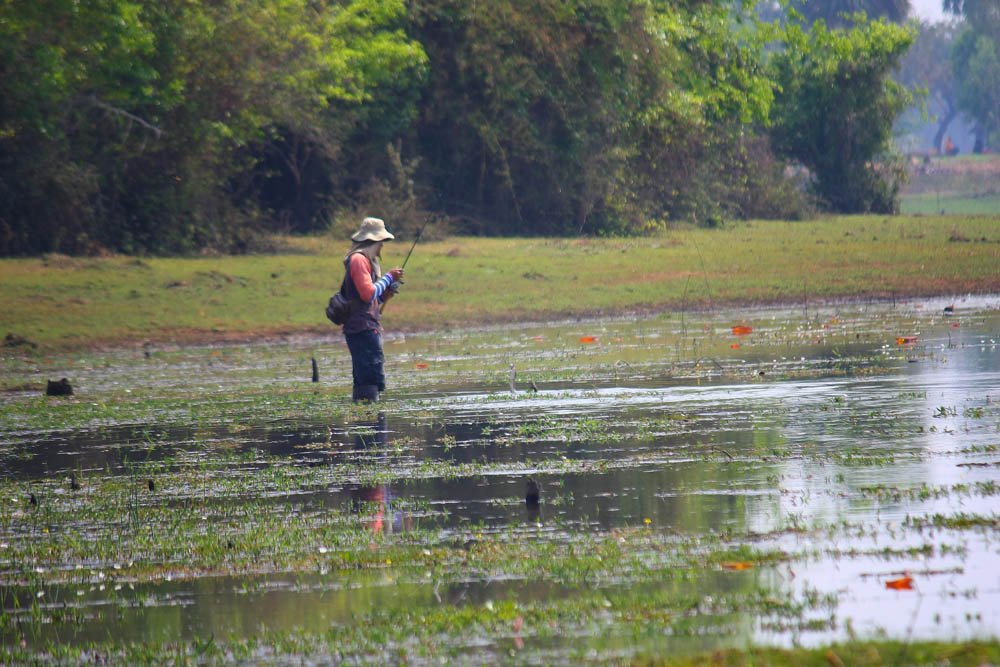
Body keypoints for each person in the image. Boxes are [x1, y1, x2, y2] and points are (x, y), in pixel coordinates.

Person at [341, 217, 404, 402]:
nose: (382, 247)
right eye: (381, 242)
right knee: (368, 375)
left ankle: (369, 423)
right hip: (362, 329)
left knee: (370, 376)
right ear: (374, 241)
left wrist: (386, 294)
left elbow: (368, 298)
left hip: (367, 327)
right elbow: (368, 293)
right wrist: (388, 278)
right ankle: (370, 423)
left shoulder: (365, 261)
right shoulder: (358, 260)